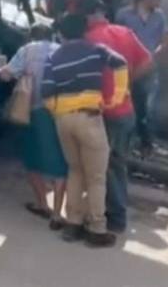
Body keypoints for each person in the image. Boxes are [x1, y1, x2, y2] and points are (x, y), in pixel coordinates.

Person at [42, 14, 128, 247]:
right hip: (89, 117)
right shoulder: (96, 49)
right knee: (97, 177)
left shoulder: (54, 56)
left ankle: (73, 225)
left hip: (63, 120)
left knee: (75, 171)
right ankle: (97, 229)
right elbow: (120, 63)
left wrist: (60, 112)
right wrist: (115, 98)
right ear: (84, 30)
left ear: (62, 34)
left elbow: (46, 93)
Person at [84, 0, 152, 233]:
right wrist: (126, 83)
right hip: (126, 110)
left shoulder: (89, 40)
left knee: (103, 165)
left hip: (103, 111)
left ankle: (114, 217)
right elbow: (148, 61)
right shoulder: (125, 32)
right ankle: (112, 212)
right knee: (117, 164)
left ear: (89, 15)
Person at [0, 24, 67, 229]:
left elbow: (6, 75)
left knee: (31, 159)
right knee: (59, 163)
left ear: (30, 36)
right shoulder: (61, 50)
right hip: (59, 112)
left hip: (33, 110)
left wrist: (0, 64)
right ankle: (57, 213)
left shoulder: (26, 50)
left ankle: (42, 204)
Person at [116, 0, 168, 155]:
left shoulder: (159, 17)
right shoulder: (124, 15)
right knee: (128, 104)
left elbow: (164, 40)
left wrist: (156, 56)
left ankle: (146, 143)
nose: (159, 2)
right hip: (127, 65)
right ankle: (129, 142)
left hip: (149, 67)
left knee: (146, 106)